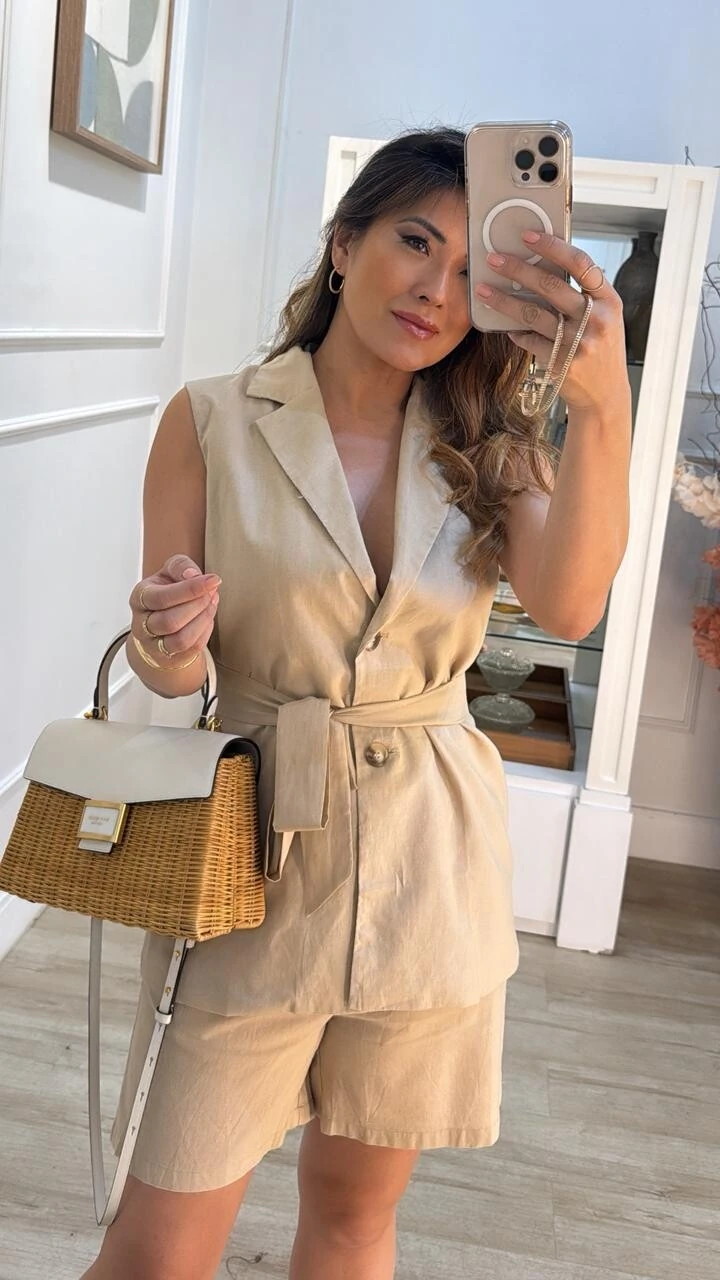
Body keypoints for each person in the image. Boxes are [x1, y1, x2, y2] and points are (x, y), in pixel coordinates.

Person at [81, 126, 631, 1280]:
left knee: (352, 1216)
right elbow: (174, 672)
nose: (436, 288)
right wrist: (166, 637)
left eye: (466, 269)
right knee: (156, 1250)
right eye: (412, 242)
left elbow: (572, 603)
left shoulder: (491, 445)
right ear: (344, 244)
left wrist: (604, 407)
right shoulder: (213, 419)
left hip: (431, 875)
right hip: (250, 871)